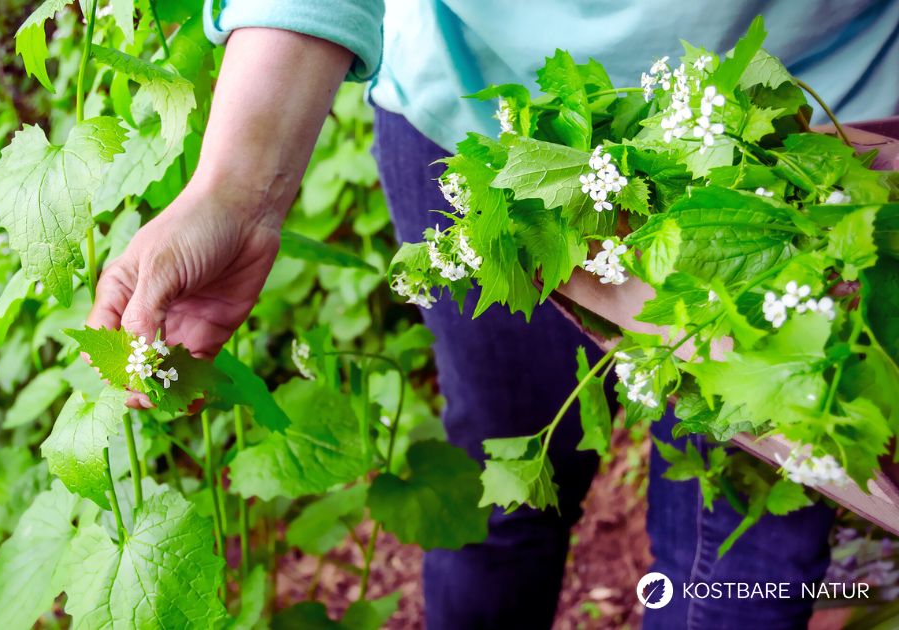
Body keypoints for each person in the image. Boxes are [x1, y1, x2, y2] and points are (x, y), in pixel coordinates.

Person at [86, 1, 899, 627]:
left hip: (807, 139)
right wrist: (237, 186)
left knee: (743, 537)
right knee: (502, 485)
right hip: (482, 129)